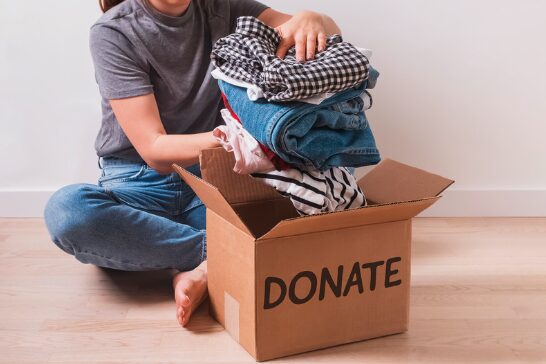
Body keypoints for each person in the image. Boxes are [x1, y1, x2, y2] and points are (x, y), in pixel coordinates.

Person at [43, 0, 341, 327]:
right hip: (136, 186)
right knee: (69, 212)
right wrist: (238, 138)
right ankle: (219, 257)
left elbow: (327, 35)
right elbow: (155, 149)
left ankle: (202, 266)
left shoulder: (223, 8)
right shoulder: (114, 31)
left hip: (211, 180)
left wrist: (313, 18)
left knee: (309, 203)